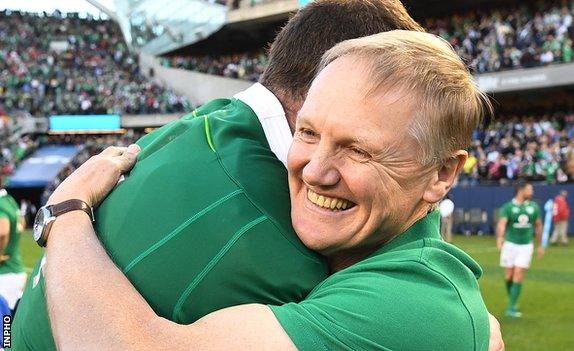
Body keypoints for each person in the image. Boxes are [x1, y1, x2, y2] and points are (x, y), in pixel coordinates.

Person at [15, 1, 499, 349]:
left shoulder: (419, 311)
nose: (314, 170)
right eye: (307, 132)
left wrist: (67, 213)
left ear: (442, 175)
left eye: (359, 150)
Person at [496, 182, 545, 318]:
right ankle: (513, 299)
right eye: (529, 189)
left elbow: (539, 226)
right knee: (508, 276)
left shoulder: (534, 207)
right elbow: (502, 223)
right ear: (520, 190)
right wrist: (500, 238)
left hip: (526, 245)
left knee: (518, 274)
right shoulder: (508, 207)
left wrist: (541, 245)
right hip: (510, 244)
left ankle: (511, 306)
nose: (532, 191)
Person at [0, 184, 26, 313]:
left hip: (5, 273)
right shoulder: (8, 200)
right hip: (16, 267)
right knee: (12, 320)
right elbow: (22, 222)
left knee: (5, 324)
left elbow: (3, 231)